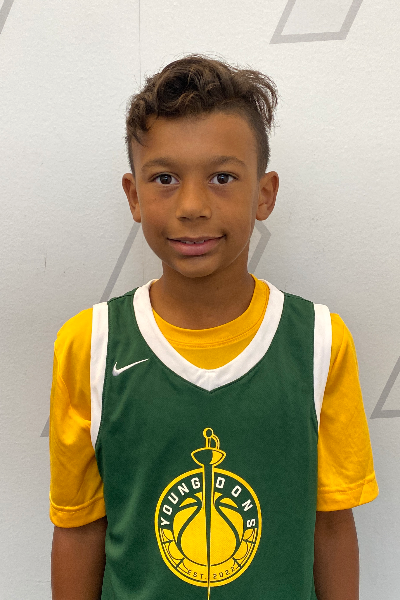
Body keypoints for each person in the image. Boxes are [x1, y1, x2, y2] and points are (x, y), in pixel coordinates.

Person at [49, 55, 379, 600]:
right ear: (133, 195)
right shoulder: (90, 345)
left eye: (222, 178)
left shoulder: (320, 342)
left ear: (264, 194)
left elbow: (332, 524)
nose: (192, 206)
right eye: (165, 179)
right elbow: (79, 528)